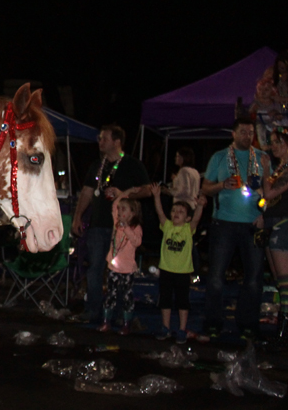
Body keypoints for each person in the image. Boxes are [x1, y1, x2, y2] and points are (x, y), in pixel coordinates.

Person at [72, 125, 150, 323]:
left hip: (123, 228)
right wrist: (78, 216)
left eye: (104, 138)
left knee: (121, 271)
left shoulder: (132, 165)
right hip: (98, 224)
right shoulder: (97, 165)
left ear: (117, 141)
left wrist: (125, 193)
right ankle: (93, 310)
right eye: (99, 138)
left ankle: (120, 313)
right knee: (95, 268)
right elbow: (88, 191)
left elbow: (147, 190)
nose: (100, 142)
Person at [201, 117, 268, 339]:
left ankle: (248, 323)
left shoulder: (261, 158)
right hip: (224, 223)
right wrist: (222, 184)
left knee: (254, 276)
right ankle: (213, 321)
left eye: (250, 133)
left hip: (253, 224)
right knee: (216, 276)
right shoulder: (220, 157)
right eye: (243, 132)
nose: (247, 136)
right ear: (233, 133)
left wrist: (264, 213)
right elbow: (206, 188)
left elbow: (271, 191)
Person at [258, 126, 288, 350]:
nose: (274, 146)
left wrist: (266, 170)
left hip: (285, 226)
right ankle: (282, 331)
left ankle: (286, 335)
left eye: (278, 142)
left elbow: (269, 193)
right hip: (272, 224)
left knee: (287, 282)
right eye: (273, 142)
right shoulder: (283, 167)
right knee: (280, 280)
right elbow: (265, 199)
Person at [151, 183, 206, 343]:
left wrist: (200, 206)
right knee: (165, 300)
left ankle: (182, 329)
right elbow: (159, 212)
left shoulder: (188, 229)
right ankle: (165, 327)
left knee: (183, 301)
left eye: (181, 212)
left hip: (182, 272)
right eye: (174, 211)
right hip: (166, 270)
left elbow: (196, 218)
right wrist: (156, 196)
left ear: (187, 218)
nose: (176, 213)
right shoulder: (167, 226)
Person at [97, 192, 143, 335]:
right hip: (114, 267)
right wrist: (123, 193)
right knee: (111, 294)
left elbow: (137, 242)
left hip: (128, 269)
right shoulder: (116, 224)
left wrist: (127, 228)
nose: (120, 211)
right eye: (120, 209)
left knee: (127, 296)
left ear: (132, 213)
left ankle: (126, 324)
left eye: (124, 209)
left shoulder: (136, 228)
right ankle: (106, 322)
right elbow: (114, 206)